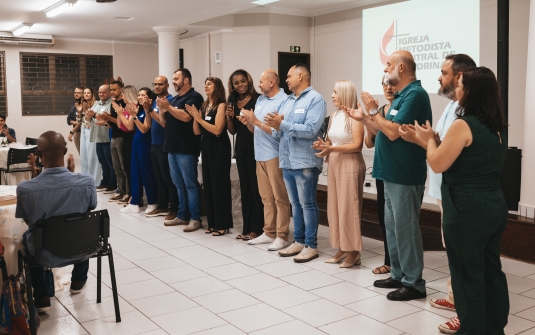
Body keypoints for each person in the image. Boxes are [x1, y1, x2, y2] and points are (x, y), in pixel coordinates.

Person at [415, 66, 509, 335]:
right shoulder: (496, 127)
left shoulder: (463, 124)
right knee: (492, 271)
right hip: (493, 206)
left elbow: (436, 163)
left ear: (470, 91)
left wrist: (427, 141)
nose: (455, 89)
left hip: (466, 209)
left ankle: (472, 329)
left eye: (459, 85)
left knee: (467, 276)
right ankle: (494, 328)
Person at [399, 54, 476, 333]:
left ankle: (466, 310)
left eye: (444, 73)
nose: (439, 78)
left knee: (462, 253)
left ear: (460, 76)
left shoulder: (468, 112)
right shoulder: (451, 105)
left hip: (459, 190)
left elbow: (449, 150)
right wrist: (419, 137)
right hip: (445, 187)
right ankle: (456, 298)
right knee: (453, 249)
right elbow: (439, 144)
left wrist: (427, 140)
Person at [346, 50, 431, 300]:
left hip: (405, 173)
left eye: (389, 65)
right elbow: (382, 130)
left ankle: (414, 282)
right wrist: (366, 118)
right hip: (390, 172)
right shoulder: (401, 96)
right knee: (393, 227)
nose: (385, 70)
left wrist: (373, 111)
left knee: (406, 229)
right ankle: (398, 274)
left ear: (402, 69)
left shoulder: (415, 95)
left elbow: (393, 132)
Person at [16, 131, 97, 312]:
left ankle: (42, 294)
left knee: (29, 236)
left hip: (44, 253)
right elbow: (90, 207)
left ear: (38, 155)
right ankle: (78, 280)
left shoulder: (25, 189)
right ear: (65, 151)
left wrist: (35, 178)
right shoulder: (87, 181)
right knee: (81, 224)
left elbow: (28, 220)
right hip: (83, 250)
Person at [266, 64, 327, 263]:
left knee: (307, 203)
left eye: (289, 75)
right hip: (288, 159)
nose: (286, 80)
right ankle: (299, 241)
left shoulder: (315, 99)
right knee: (295, 204)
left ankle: (311, 245)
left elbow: (310, 130)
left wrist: (282, 124)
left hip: (305, 161)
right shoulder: (288, 101)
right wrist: (276, 125)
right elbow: (279, 130)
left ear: (301, 76)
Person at [312, 79, 365, 268]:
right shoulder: (334, 116)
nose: (332, 95)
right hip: (334, 163)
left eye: (336, 92)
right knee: (335, 206)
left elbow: (357, 146)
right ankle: (342, 246)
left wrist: (332, 149)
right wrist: (323, 145)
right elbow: (330, 142)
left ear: (345, 94)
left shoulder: (356, 117)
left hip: (349, 164)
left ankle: (354, 252)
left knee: (348, 208)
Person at [238, 69, 291, 251]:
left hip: (275, 155)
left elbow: (279, 132)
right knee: (266, 198)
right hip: (259, 155)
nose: (258, 85)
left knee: (280, 198)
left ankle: (282, 235)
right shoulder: (260, 100)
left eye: (261, 82)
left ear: (271, 83)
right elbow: (257, 130)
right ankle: (268, 232)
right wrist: (250, 123)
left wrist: (257, 121)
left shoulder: (285, 101)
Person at [157, 69, 204, 232]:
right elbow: (163, 122)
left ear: (186, 80)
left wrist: (168, 107)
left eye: (176, 79)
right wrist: (162, 110)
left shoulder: (194, 97)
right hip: (171, 147)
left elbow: (186, 117)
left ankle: (195, 217)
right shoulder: (175, 99)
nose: (174, 82)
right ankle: (182, 215)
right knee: (178, 184)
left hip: (186, 148)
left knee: (190, 184)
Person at [187, 77, 232, 236]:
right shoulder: (205, 105)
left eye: (209, 84)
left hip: (219, 146)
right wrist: (195, 118)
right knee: (209, 185)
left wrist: (199, 118)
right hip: (206, 146)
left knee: (219, 185)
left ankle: (223, 223)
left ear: (217, 87)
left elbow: (218, 130)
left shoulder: (221, 105)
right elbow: (197, 131)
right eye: (205, 83)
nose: (206, 86)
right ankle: (212, 222)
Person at [226, 69, 264, 241]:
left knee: (256, 188)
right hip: (240, 148)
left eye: (243, 81)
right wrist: (228, 118)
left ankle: (258, 228)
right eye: (236, 82)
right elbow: (233, 131)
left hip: (255, 146)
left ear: (248, 81)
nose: (240, 85)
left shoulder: (257, 100)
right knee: (245, 188)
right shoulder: (232, 102)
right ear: (232, 86)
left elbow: (259, 125)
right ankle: (247, 227)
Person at [364, 79, 394, 275]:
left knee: (394, 221)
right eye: (384, 85)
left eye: (391, 85)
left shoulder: (398, 108)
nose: (388, 88)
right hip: (381, 169)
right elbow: (369, 142)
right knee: (384, 219)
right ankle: (389, 261)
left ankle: (395, 264)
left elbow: (391, 133)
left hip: (395, 171)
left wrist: (373, 115)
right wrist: (367, 120)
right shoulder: (381, 109)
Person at [118, 87, 158, 214]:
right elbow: (130, 127)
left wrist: (134, 116)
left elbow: (145, 129)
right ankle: (134, 202)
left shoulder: (148, 111)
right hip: (136, 142)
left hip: (145, 144)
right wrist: (130, 114)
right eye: (139, 95)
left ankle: (152, 202)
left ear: (149, 98)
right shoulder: (139, 109)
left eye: (143, 95)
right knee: (135, 173)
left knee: (146, 173)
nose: (140, 97)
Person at [145, 76, 177, 221]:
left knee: (168, 178)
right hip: (154, 143)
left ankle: (173, 208)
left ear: (167, 85)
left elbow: (164, 123)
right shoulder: (155, 101)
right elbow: (151, 123)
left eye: (160, 84)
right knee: (159, 177)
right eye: (155, 84)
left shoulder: (169, 100)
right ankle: (162, 205)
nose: (157, 87)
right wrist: (147, 109)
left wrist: (151, 110)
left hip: (165, 144)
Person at [104, 80, 130, 203]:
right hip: (113, 136)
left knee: (124, 167)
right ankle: (120, 191)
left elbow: (122, 124)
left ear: (121, 89)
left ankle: (128, 192)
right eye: (111, 90)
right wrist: (106, 121)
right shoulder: (113, 103)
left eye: (114, 89)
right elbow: (114, 122)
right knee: (117, 167)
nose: (112, 92)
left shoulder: (125, 103)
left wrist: (109, 118)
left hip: (122, 137)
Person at [87, 85, 116, 193]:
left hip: (107, 137)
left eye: (103, 92)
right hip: (97, 137)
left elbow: (104, 117)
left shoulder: (112, 103)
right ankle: (105, 181)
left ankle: (112, 183)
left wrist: (94, 116)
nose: (101, 94)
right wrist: (90, 116)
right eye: (99, 92)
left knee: (110, 162)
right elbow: (89, 116)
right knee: (102, 162)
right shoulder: (96, 103)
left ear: (109, 93)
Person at [77, 88, 101, 186]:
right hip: (83, 129)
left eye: (88, 93)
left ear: (92, 94)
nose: (86, 94)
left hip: (92, 130)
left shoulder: (96, 104)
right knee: (84, 155)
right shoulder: (82, 104)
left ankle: (95, 181)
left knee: (92, 155)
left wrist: (86, 110)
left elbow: (92, 118)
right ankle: (85, 178)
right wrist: (79, 112)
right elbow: (79, 121)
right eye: (85, 93)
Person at [66, 86, 84, 153]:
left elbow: (82, 121)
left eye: (79, 93)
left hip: (83, 132)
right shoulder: (74, 105)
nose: (76, 94)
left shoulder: (85, 105)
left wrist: (71, 132)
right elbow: (68, 120)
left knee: (85, 154)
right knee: (81, 153)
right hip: (76, 133)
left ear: (83, 94)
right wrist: (75, 122)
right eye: (75, 93)